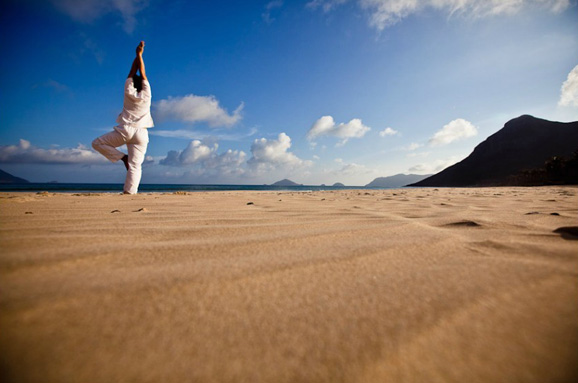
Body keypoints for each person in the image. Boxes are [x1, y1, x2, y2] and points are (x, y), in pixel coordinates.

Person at [92, 41, 154, 194]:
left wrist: (137, 54)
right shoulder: (147, 95)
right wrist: (140, 55)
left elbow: (132, 73)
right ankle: (130, 192)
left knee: (97, 143)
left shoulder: (128, 92)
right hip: (141, 133)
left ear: (132, 84)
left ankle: (122, 158)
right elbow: (143, 74)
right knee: (135, 166)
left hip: (125, 129)